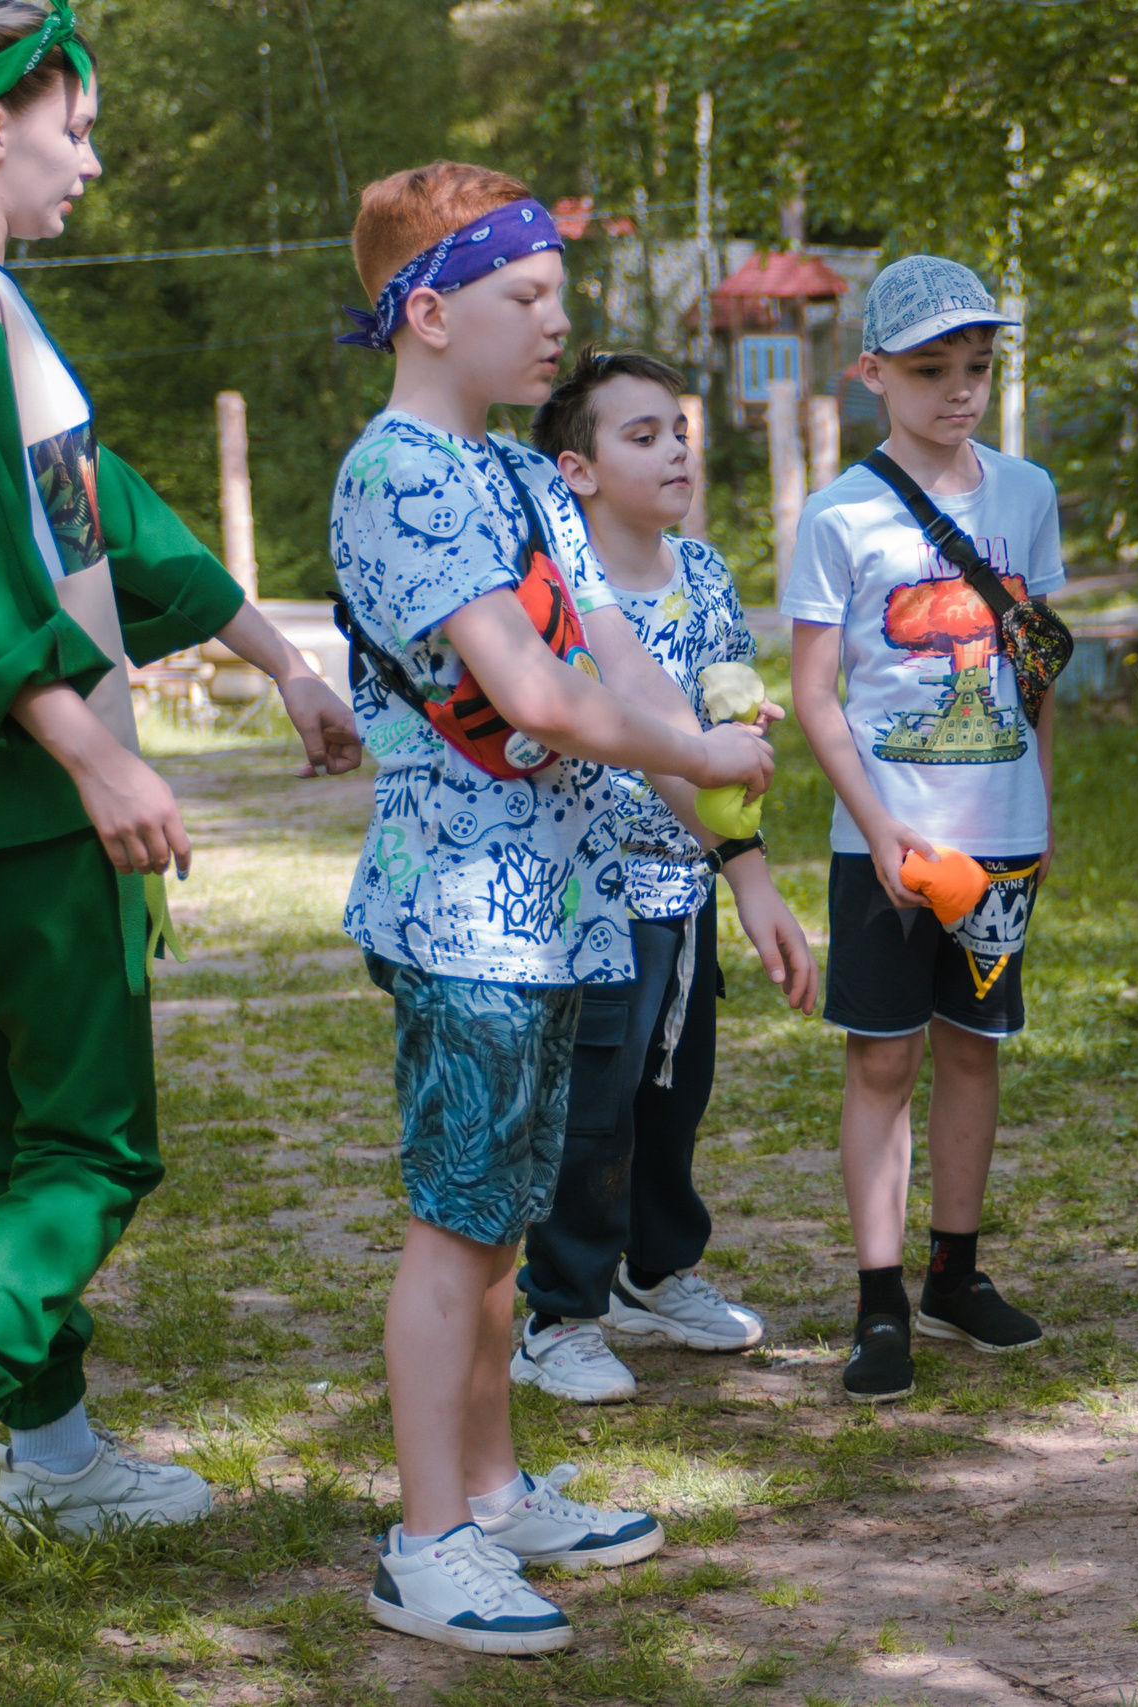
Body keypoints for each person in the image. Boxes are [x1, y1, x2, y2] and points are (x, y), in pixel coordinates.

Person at [0, 0, 367, 1629]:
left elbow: (115, 522)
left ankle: (60, 1456)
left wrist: (275, 656)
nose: (95, 159)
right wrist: (102, 758)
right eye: (76, 127)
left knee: (14, 1143)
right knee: (92, 1142)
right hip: (16, 808)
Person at [331, 162, 772, 1654]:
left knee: (507, 1222)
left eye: (561, 297)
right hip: (463, 914)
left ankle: (496, 1487)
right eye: (527, 298)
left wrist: (715, 813)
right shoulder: (392, 472)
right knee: (457, 1228)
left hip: (557, 909)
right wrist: (694, 752)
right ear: (431, 309)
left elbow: (618, 663)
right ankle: (427, 1538)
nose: (555, 324)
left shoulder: (523, 477)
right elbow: (529, 691)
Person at [508, 349, 819, 1404]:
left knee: (673, 1092)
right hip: (589, 889)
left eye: (678, 428)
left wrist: (743, 851)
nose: (676, 448)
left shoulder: (708, 573)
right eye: (641, 435)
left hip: (684, 881)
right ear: (579, 469)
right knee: (591, 1103)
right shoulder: (553, 591)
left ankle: (656, 1269)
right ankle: (559, 1314)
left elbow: (721, 704)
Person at [783, 256, 1058, 1405]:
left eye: (978, 368)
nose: (959, 391)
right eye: (932, 370)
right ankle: (879, 1299)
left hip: (1000, 831)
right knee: (884, 1058)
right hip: (884, 839)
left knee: (973, 1049)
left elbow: (1038, 666)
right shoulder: (840, 513)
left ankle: (957, 1271)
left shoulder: (1027, 495)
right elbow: (813, 694)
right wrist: (880, 828)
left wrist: (1048, 805)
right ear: (871, 375)